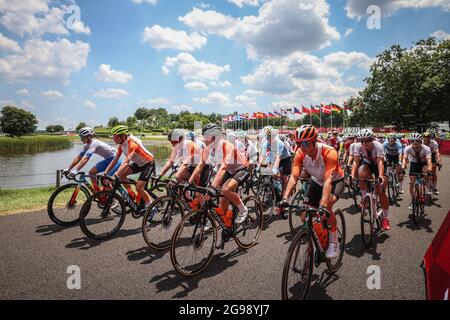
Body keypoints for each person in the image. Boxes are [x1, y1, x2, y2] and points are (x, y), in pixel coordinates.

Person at [280, 125, 345, 259]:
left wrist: (322, 203)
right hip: (317, 181)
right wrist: (285, 198)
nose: (301, 147)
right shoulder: (300, 153)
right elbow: (293, 177)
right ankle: (320, 238)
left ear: (315, 141)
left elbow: (328, 181)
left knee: (326, 206)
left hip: (335, 181)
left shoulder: (329, 152)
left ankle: (333, 241)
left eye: (305, 143)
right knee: (305, 215)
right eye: (298, 143)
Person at [189, 124, 250, 249]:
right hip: (229, 170)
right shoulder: (208, 148)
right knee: (222, 205)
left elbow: (223, 167)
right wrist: (189, 182)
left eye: (207, 138)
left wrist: (212, 186)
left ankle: (243, 210)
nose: (205, 140)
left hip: (242, 168)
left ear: (215, 137)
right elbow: (201, 165)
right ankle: (226, 231)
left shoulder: (226, 145)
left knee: (225, 189)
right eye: (204, 137)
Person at [103, 125, 156, 216]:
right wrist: (105, 173)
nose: (113, 139)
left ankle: (151, 207)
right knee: (122, 175)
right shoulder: (121, 145)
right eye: (113, 137)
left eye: (115, 137)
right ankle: (131, 195)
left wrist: (114, 175)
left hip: (148, 163)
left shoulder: (131, 144)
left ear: (123, 136)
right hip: (138, 163)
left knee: (139, 187)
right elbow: (115, 160)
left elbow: (126, 161)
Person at [351, 129, 391, 231]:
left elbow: (380, 163)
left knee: (381, 191)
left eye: (367, 140)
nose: (364, 143)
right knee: (361, 173)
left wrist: (381, 176)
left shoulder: (378, 146)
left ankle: (386, 217)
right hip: (368, 164)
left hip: (380, 165)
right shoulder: (357, 146)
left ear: (372, 139)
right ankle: (365, 197)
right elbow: (355, 162)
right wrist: (352, 175)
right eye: (361, 141)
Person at [402, 133, 433, 209]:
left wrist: (429, 168)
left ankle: (425, 187)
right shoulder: (408, 148)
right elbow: (404, 158)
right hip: (414, 164)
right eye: (412, 141)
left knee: (425, 173)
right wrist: (403, 167)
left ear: (420, 141)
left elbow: (429, 160)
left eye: (417, 141)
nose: (415, 143)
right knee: (412, 183)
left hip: (424, 164)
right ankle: (413, 200)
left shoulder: (426, 148)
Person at [261, 126, 292, 195]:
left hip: (285, 159)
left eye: (270, 137)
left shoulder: (279, 143)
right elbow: (262, 156)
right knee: (270, 173)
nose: (268, 139)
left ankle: (285, 195)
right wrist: (260, 165)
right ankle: (275, 188)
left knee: (284, 178)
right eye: (267, 137)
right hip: (275, 158)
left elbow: (278, 157)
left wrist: (275, 169)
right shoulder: (266, 143)